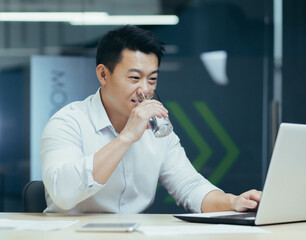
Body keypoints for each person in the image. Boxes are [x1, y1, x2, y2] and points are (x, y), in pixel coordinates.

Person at [41, 25, 262, 213]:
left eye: (152, 79)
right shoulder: (68, 123)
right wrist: (127, 137)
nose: (145, 90)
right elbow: (63, 194)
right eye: (135, 78)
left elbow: (189, 186)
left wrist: (233, 202)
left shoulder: (158, 129)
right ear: (103, 75)